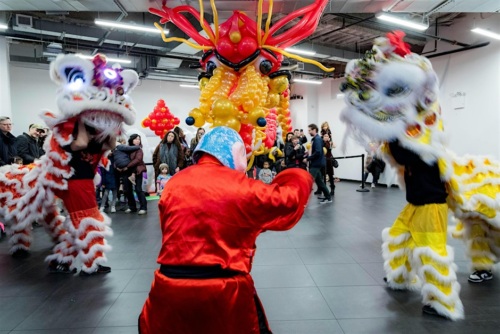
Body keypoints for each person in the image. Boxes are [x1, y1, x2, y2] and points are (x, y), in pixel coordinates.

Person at [139, 126, 313, 334]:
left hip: (168, 287)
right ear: (235, 152)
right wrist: (299, 174)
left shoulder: (174, 183)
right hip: (223, 291)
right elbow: (287, 200)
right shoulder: (241, 186)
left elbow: (171, 225)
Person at [382, 140, 463, 320]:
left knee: (432, 254)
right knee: (398, 236)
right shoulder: (420, 144)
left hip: (431, 207)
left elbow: (402, 156)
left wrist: (391, 136)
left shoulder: (426, 147)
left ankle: (443, 303)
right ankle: (399, 277)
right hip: (416, 204)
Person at [123, 134, 148, 215]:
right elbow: (120, 157)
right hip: (127, 171)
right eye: (136, 139)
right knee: (127, 189)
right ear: (132, 140)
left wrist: (127, 166)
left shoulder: (139, 149)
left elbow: (138, 160)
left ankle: (143, 207)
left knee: (138, 189)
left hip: (137, 170)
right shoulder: (126, 149)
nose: (138, 140)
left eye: (139, 139)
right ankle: (132, 207)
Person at [307, 123, 332, 203]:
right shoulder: (316, 139)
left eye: (310, 130)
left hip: (316, 164)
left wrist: (308, 158)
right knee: (319, 182)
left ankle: (303, 199)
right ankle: (328, 197)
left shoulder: (317, 139)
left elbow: (318, 152)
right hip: (318, 163)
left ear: (314, 130)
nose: (309, 132)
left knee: (308, 180)